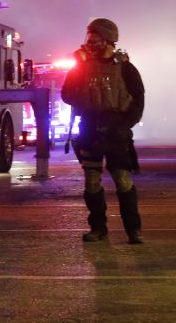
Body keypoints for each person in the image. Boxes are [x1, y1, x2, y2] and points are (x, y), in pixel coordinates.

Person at [61, 18, 145, 244]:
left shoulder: (126, 68)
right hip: (90, 127)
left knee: (123, 180)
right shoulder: (82, 66)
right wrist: (77, 70)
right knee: (92, 180)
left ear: (108, 39)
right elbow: (67, 94)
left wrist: (123, 125)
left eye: (95, 38)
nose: (90, 43)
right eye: (89, 38)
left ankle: (134, 230)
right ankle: (98, 229)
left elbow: (138, 101)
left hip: (116, 131)